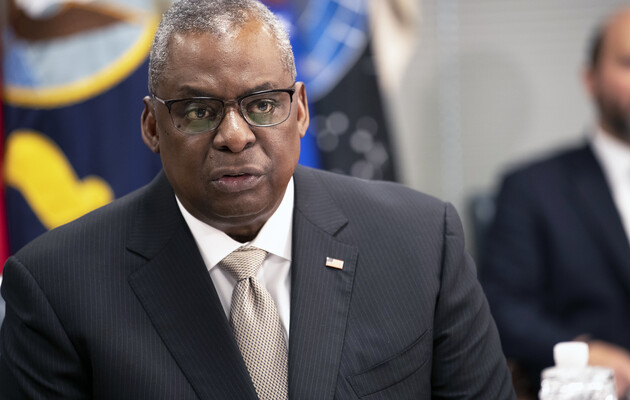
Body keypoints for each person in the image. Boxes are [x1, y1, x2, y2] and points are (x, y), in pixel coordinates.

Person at [0, 0, 515, 398]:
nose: (235, 136)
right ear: (152, 126)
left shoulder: (421, 244)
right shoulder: (56, 287)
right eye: (198, 111)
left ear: (301, 111)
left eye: (263, 104)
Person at [481, 6, 630, 399]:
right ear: (590, 79)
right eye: (628, 63)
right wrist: (583, 354)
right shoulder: (532, 188)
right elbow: (502, 308)